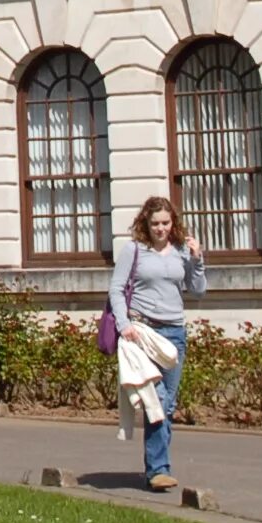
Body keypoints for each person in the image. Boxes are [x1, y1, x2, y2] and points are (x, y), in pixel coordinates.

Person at [110, 194, 207, 492]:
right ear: (145, 223)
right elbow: (116, 289)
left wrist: (197, 260)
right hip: (143, 332)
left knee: (167, 403)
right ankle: (158, 470)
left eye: (165, 223)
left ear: (173, 223)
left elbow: (198, 290)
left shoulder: (180, 251)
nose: (161, 229)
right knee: (158, 400)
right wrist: (125, 326)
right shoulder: (134, 250)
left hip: (174, 333)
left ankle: (156, 468)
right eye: (155, 223)